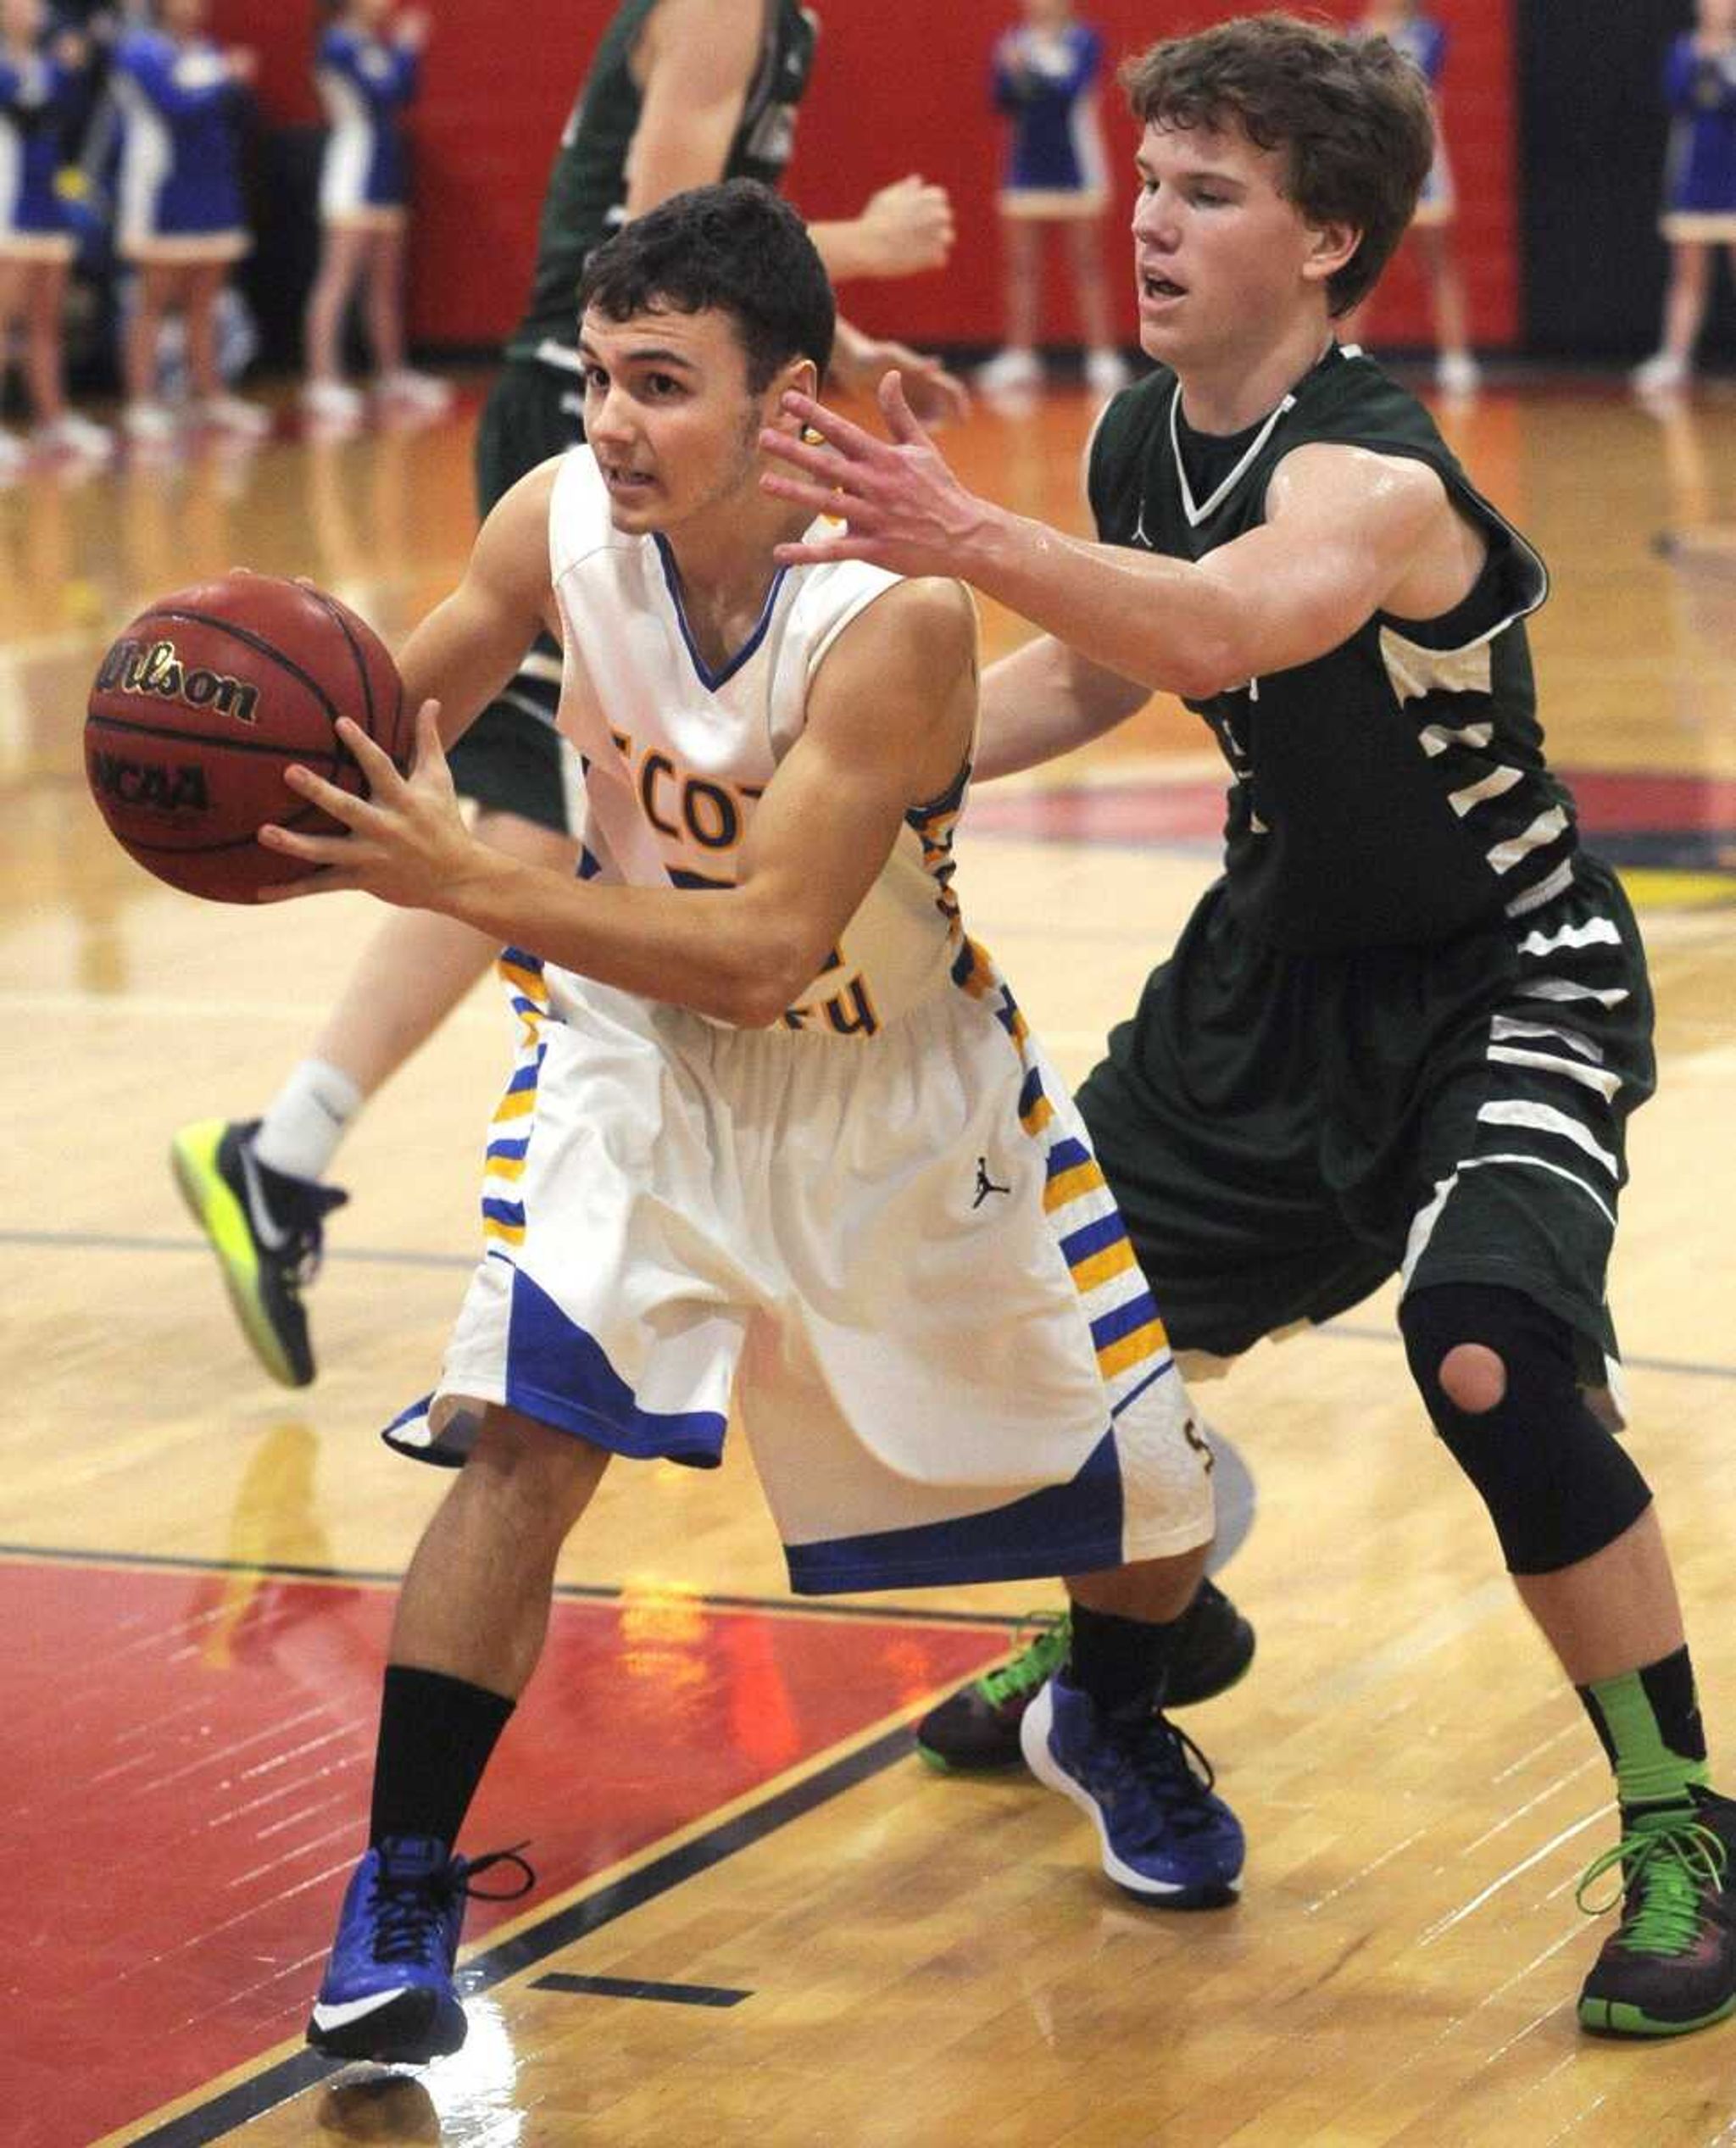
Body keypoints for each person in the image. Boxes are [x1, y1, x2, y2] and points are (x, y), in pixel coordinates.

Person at [760, 11, 1736, 2043]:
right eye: (1149, 184)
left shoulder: (1370, 473)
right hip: (1270, 973)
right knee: (1077, 1353)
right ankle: (1125, 1666)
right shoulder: (1143, 436)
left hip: (1503, 968)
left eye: (1209, 193)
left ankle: (1682, 1826)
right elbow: (1088, 677)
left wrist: (958, 535)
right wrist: (841, 763)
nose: (1152, 223)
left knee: (1486, 1356)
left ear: (1324, 240)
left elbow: (1222, 626)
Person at [258, 180, 1238, 2067]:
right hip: (633, 1059)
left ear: (790, 406)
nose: (610, 420)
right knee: (526, 1441)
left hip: (885, 1076)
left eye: (660, 385)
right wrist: (256, 779)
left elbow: (768, 950)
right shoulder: (553, 518)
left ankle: (1106, 1707)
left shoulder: (890, 620)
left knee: (1142, 1493)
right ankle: (398, 1881)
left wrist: (458, 873)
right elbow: (370, 731)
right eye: (597, 375)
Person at [170, 0, 964, 1393]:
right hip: (583, 406)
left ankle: (293, 1148)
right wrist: (853, 256)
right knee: (523, 802)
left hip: (644, 390)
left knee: (551, 804)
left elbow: (713, 274)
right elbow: (655, 237)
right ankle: (310, 1140)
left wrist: (838, 359)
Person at [109, 0, 268, 444]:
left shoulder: (205, 49)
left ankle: (209, 395)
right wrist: (226, 78)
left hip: (212, 190)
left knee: (206, 298)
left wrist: (225, 80)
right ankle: (141, 400)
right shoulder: (140, 50)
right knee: (154, 299)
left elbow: (227, 113)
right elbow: (177, 107)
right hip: (161, 192)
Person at [302, 0, 448, 427]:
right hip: (352, 170)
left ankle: (391, 373)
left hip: (385, 171)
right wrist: (405, 47)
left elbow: (405, 93)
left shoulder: (371, 44)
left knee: (385, 281)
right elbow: (379, 94)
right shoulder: (338, 43)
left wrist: (403, 53)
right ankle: (321, 378)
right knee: (339, 276)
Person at [978, 0, 1128, 401]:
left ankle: (1102, 356)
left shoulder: (1084, 40)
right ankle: (1021, 355)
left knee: (1087, 262)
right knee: (1021, 264)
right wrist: (1013, 75)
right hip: (1026, 166)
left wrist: (1024, 70)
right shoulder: (1012, 41)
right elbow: (1002, 99)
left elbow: (1069, 90)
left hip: (1075, 164)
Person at [1345, 1, 1477, 398]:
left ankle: (1456, 359)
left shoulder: (1428, 33)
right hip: (1373, 156)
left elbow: (1417, 80)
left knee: (1438, 259)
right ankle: (1347, 358)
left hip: (1421, 157)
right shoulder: (1354, 33)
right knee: (1359, 262)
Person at [0, 0, 109, 465]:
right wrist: (63, 71)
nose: (31, 8)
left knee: (47, 321)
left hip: (49, 200)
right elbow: (25, 114)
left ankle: (52, 419)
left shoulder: (45, 64)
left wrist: (69, 70)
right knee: (3, 320)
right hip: (9, 202)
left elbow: (68, 116)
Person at [1633, 0, 1736, 398]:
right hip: (1694, 176)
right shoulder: (1683, 49)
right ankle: (1675, 357)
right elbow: (1678, 95)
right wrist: (1704, 67)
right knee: (1688, 272)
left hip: (1733, 177)